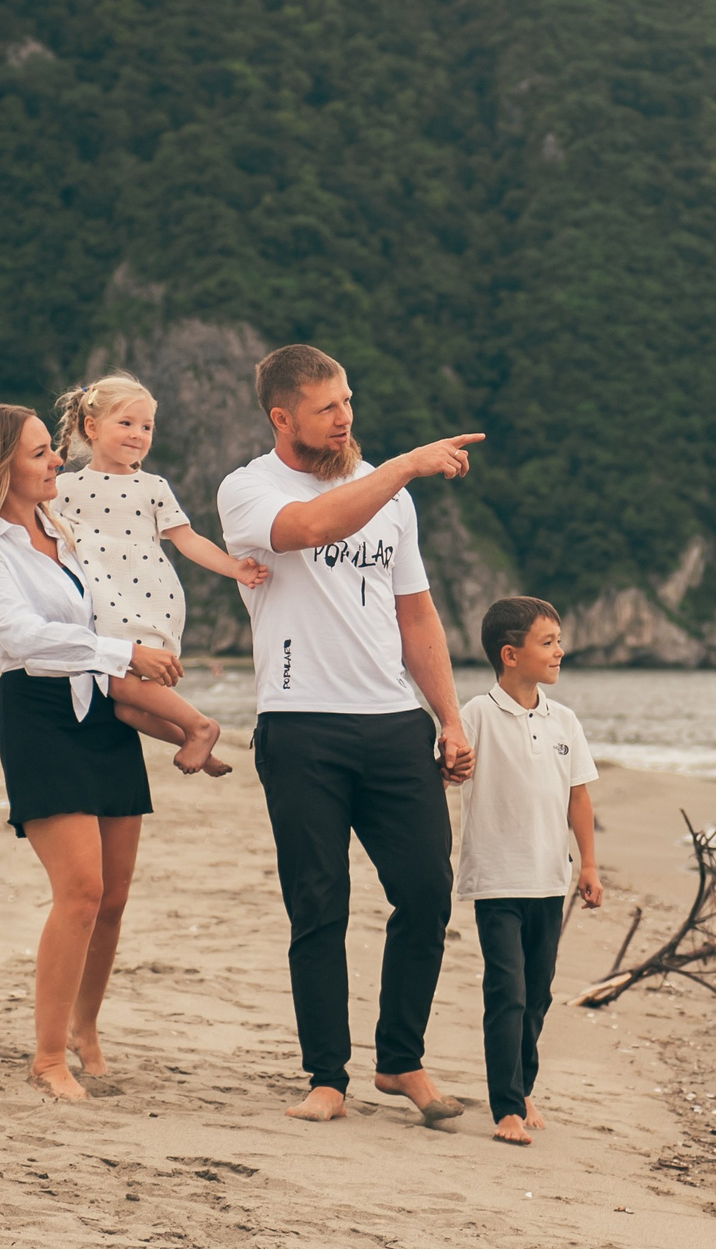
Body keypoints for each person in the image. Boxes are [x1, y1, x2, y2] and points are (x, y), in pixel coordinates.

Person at [215, 344, 484, 1124]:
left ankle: (400, 1062)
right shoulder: (250, 488)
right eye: (329, 406)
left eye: (349, 401)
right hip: (301, 724)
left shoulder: (390, 499)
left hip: (394, 722)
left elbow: (416, 613)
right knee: (320, 900)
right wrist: (401, 466)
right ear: (283, 416)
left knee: (427, 892)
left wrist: (451, 717)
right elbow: (304, 527)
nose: (345, 416)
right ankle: (326, 1076)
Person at [0, 403, 179, 1102]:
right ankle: (48, 1057)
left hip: (99, 709)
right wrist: (123, 651)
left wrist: (166, 699)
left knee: (114, 896)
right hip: (40, 714)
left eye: (53, 449)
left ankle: (85, 1027)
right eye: (41, 454)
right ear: (1, 467)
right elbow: (21, 638)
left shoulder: (61, 530)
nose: (56, 463)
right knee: (79, 891)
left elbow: (109, 603)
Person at [51, 373, 270, 775]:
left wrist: (234, 568)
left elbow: (188, 540)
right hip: (99, 599)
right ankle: (195, 737)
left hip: (147, 595)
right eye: (127, 423)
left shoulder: (152, 486)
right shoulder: (65, 487)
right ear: (92, 427)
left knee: (120, 682)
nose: (138, 434)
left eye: (147, 426)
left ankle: (201, 727)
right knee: (127, 708)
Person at [457, 597, 601, 1147]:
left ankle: (523, 1087)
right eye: (549, 643)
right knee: (508, 991)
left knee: (537, 994)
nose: (560, 651)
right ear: (510, 654)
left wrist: (588, 864)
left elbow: (578, 797)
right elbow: (447, 771)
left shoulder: (563, 720)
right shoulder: (474, 715)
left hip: (550, 879)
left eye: (559, 640)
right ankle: (507, 1108)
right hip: (496, 880)